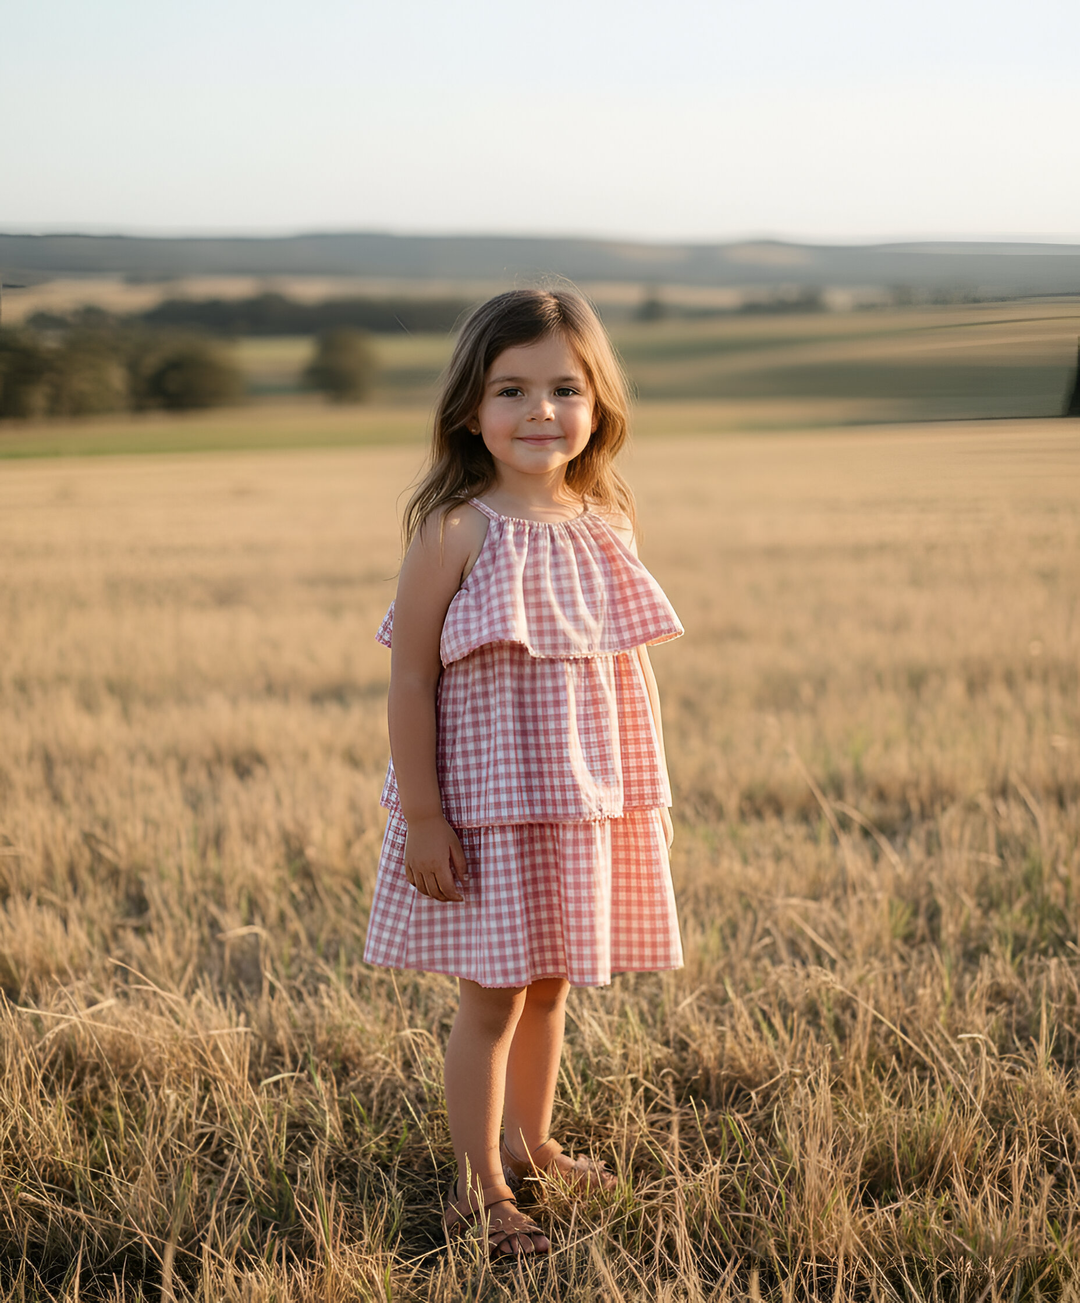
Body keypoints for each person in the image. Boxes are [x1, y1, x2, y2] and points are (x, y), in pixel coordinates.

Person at [364, 288, 683, 1256]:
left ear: (598, 404)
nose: (540, 411)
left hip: (579, 806)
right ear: (470, 409)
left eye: (563, 388)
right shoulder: (456, 531)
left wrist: (637, 802)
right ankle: (478, 1187)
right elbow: (412, 678)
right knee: (493, 998)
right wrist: (424, 815)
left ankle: (533, 1140)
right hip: (486, 813)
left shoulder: (604, 522)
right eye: (512, 390)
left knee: (551, 986)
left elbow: (621, 682)